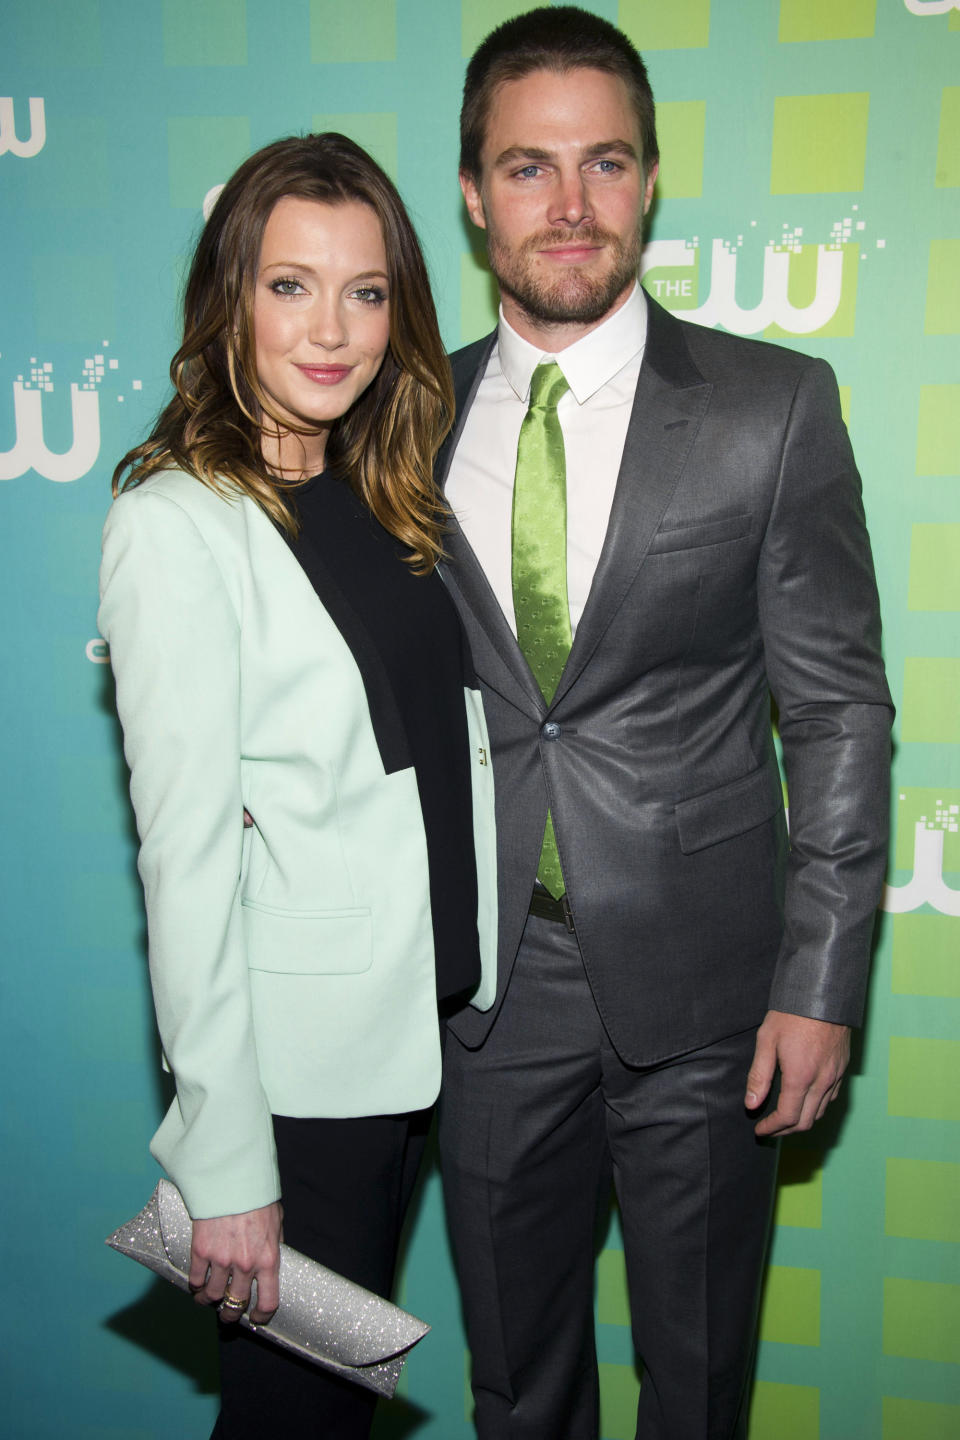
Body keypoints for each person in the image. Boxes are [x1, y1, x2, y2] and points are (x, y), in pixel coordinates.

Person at [435, 9, 893, 1439]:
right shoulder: (400, 413)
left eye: (606, 163)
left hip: (710, 999)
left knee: (698, 1388)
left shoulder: (774, 406)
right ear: (471, 193)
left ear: (650, 179)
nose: (570, 208)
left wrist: (821, 983)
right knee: (517, 1382)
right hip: (482, 998)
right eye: (527, 168)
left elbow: (835, 714)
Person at [99, 131, 497, 1440]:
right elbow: (187, 859)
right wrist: (224, 1166)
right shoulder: (178, 523)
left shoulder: (386, 495)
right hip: (297, 1081)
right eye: (290, 285)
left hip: (410, 1038)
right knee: (294, 1424)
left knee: (322, 1420)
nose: (332, 328)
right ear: (230, 298)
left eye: (366, 290)